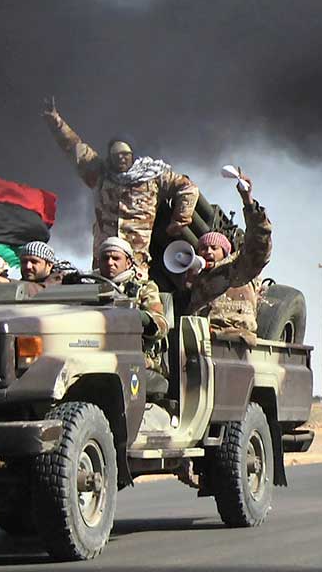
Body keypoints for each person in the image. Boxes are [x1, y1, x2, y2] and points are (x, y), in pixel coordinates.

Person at [43, 96, 200, 261]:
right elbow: (73, 147)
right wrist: (55, 122)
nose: (121, 159)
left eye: (125, 155)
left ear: (133, 155)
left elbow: (188, 188)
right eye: (116, 156)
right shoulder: (100, 174)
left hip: (136, 258)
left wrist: (179, 219)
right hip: (105, 258)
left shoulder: (152, 175)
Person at [173, 171, 272, 335]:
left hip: (232, 341)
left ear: (225, 251)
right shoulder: (196, 277)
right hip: (201, 338)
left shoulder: (238, 270)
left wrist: (248, 202)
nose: (208, 252)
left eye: (214, 248)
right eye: (204, 248)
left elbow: (259, 244)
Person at [98, 235, 169, 390]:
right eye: (105, 258)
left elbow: (161, 325)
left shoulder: (143, 288)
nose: (110, 262)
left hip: (137, 354)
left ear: (128, 262)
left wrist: (140, 317)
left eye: (115, 258)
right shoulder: (88, 286)